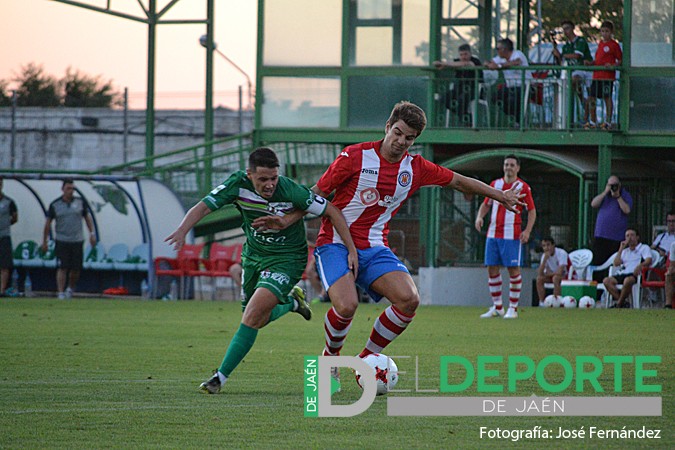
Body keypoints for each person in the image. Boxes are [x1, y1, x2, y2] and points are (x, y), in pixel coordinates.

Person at [254, 101, 526, 387]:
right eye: (397, 133)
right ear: (387, 127)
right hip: (334, 242)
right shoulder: (354, 156)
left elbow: (458, 181)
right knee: (347, 306)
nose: (401, 141)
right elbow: (317, 192)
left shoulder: (416, 168)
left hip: (374, 247)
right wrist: (286, 220)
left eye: (409, 138)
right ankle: (330, 359)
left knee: (410, 300)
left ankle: (366, 359)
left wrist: (500, 195)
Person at [164, 147, 358, 394]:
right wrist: (182, 230)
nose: (269, 185)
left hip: (287, 259)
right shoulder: (237, 184)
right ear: (250, 174)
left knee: (252, 315)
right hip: (254, 258)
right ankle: (291, 304)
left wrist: (351, 250)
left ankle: (219, 378)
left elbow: (332, 211)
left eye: (273, 178)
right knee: (256, 319)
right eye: (263, 179)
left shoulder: (290, 190)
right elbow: (203, 207)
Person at [475, 154, 537, 319]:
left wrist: (527, 231)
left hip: (512, 235)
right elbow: (486, 204)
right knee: (492, 268)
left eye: (511, 165)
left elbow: (531, 211)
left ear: (517, 168)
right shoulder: (495, 184)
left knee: (513, 270)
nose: (508, 167)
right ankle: (498, 307)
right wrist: (479, 217)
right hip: (493, 233)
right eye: (506, 164)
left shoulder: (523, 187)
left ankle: (513, 309)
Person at [42, 178, 96, 299]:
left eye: (72, 188)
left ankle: (70, 288)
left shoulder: (80, 202)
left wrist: (92, 233)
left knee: (76, 269)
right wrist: (44, 241)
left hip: (77, 239)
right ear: (63, 189)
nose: (71, 191)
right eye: (68, 188)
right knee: (62, 267)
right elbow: (48, 223)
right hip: (62, 240)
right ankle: (60, 292)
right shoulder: (55, 205)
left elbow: (87, 218)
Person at [551, 20, 593, 125]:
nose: (565, 31)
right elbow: (562, 63)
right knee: (572, 81)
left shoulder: (580, 41)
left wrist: (561, 55)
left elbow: (577, 55)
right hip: (573, 71)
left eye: (567, 28)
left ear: (573, 28)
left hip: (585, 70)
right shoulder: (566, 46)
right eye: (564, 29)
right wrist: (557, 56)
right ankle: (580, 105)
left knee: (591, 95)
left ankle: (590, 118)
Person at [433, 43, 484, 124]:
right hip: (458, 89)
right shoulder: (456, 61)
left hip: (473, 90)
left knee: (461, 99)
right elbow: (451, 64)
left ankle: (466, 120)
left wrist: (445, 64)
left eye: (466, 54)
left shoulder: (475, 61)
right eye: (461, 55)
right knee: (443, 98)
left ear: (470, 53)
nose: (463, 57)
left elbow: (467, 64)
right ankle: (465, 117)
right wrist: (440, 64)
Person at [484, 38, 532, 125]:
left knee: (512, 100)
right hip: (510, 86)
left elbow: (516, 62)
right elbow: (488, 62)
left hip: (524, 86)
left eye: (498, 49)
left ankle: (519, 121)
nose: (497, 51)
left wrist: (499, 66)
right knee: (495, 97)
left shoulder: (517, 53)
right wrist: (489, 64)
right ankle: (516, 119)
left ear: (504, 49)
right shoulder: (500, 58)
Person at [586, 20, 622, 130]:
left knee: (607, 98)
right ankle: (593, 121)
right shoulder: (600, 44)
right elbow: (598, 60)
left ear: (611, 32)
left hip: (607, 77)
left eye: (606, 31)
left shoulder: (614, 45)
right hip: (596, 76)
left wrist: (612, 65)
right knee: (592, 97)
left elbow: (620, 60)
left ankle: (608, 122)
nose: (604, 33)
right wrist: (591, 63)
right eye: (602, 31)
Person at [602, 228, 652, 308]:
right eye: (627, 236)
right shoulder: (625, 251)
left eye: (632, 235)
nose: (629, 238)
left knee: (627, 280)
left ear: (637, 237)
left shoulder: (644, 248)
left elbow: (648, 260)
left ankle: (618, 304)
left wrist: (640, 266)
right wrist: (621, 248)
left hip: (635, 274)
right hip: (623, 273)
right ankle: (622, 303)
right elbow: (616, 263)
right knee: (606, 281)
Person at [590, 175, 632, 268]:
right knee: (598, 261)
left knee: (612, 264)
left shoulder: (625, 195)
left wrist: (618, 197)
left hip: (616, 237)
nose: (613, 187)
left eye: (615, 185)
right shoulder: (605, 196)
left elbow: (627, 210)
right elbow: (593, 204)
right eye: (611, 185)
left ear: (619, 185)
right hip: (601, 236)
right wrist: (605, 192)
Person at [535, 236, 568, 306]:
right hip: (554, 276)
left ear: (553, 245)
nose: (546, 248)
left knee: (555, 278)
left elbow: (560, 272)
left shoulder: (561, 253)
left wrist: (548, 274)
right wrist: (544, 261)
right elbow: (540, 274)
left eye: (548, 245)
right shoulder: (544, 256)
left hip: (567, 276)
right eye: (544, 246)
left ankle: (556, 302)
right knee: (539, 279)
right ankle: (541, 303)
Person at [0, 177, 18, 296]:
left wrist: (5, 224)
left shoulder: (9, 202)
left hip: (4, 236)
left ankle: (1, 290)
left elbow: (15, 217)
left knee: (5, 265)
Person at [665, 241, 674, 309]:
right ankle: (668, 305)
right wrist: (670, 270)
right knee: (669, 275)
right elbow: (672, 264)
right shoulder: (673, 245)